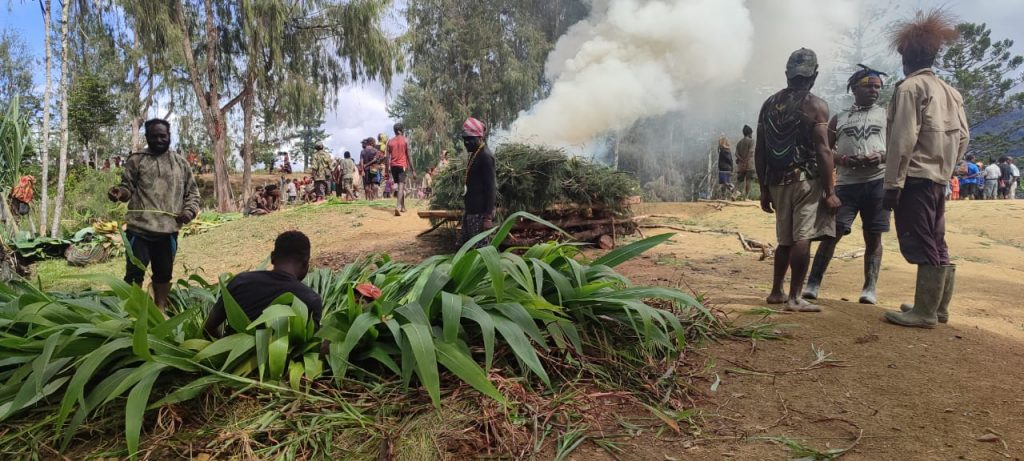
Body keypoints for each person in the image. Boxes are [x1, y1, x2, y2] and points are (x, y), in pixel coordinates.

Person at [883, 10, 969, 328]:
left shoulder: (910, 88)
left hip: (915, 178)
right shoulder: (951, 92)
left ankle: (925, 313)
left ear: (905, 56)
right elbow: (963, 137)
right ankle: (937, 306)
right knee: (936, 239)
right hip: (937, 180)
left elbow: (902, 140)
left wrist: (892, 184)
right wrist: (947, 169)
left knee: (921, 239)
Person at [755, 48, 840, 313]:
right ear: (814, 75)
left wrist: (764, 189)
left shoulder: (769, 104)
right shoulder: (816, 105)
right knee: (803, 237)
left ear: (787, 73)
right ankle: (794, 298)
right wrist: (830, 191)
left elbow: (760, 150)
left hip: (776, 182)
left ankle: (776, 291)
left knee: (785, 239)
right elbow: (823, 150)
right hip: (806, 181)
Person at [803, 66, 889, 305]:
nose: (873, 91)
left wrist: (881, 156)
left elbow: (899, 146)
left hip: (877, 183)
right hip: (846, 185)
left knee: (873, 236)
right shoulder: (839, 117)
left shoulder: (886, 115)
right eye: (868, 86)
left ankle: (869, 287)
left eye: (877, 87)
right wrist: (842, 159)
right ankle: (813, 283)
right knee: (833, 232)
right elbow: (824, 149)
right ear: (854, 89)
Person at [108, 118, 200, 313]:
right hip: (139, 230)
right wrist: (119, 193)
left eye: (163, 136)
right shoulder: (136, 160)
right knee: (134, 273)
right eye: (154, 136)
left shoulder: (180, 163)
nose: (159, 139)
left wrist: (188, 212)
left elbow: (192, 194)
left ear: (169, 136)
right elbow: (127, 189)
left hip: (168, 231)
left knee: (164, 273)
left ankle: (160, 309)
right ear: (147, 137)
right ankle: (131, 311)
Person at [203, 231, 323, 339]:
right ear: (306, 263)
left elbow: (208, 328)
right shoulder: (310, 299)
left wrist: (224, 347)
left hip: (230, 355)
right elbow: (312, 347)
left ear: (272, 257)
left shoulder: (240, 282)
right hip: (281, 357)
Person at [460, 117, 496, 248]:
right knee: (467, 248)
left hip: (480, 214)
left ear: (480, 137)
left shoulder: (485, 156)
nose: (466, 142)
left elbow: (491, 187)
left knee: (479, 251)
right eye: (464, 139)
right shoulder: (475, 153)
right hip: (471, 211)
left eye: (470, 139)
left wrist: (488, 217)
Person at [386, 122, 413, 215]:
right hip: (402, 166)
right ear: (400, 130)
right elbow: (409, 156)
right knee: (401, 186)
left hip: (393, 166)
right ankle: (398, 206)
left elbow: (387, 157)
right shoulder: (405, 140)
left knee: (399, 185)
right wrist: (413, 170)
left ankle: (403, 206)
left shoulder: (389, 141)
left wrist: (386, 170)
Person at [734, 125, 756, 200]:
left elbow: (736, 154)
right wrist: (746, 160)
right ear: (749, 133)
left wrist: (741, 160)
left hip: (741, 165)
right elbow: (751, 151)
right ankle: (746, 197)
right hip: (749, 164)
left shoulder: (739, 142)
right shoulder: (751, 141)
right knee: (748, 180)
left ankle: (734, 194)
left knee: (739, 180)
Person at [716, 136, 734, 200]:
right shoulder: (725, 150)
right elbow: (730, 160)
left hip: (724, 169)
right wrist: (731, 168)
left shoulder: (724, 151)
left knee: (724, 182)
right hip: (726, 168)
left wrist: (731, 168)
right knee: (723, 184)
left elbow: (729, 160)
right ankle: (723, 196)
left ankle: (734, 191)